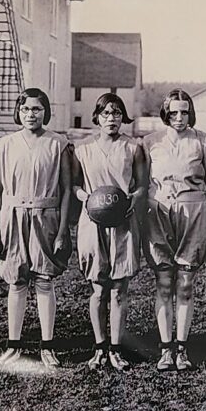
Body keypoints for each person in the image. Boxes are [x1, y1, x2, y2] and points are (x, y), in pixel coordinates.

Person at [0, 87, 79, 371]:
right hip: (13, 216)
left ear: (46, 112)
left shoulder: (58, 144)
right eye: (26, 109)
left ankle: (47, 345)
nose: (31, 114)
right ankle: (14, 345)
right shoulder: (5, 144)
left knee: (44, 280)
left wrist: (63, 229)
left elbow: (66, 190)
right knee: (16, 281)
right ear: (18, 112)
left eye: (37, 109)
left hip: (46, 215)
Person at [141, 89, 206, 371]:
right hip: (158, 212)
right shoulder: (150, 141)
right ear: (165, 113)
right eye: (173, 112)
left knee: (185, 284)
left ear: (191, 112)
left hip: (193, 209)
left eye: (184, 112)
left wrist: (194, 205)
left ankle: (182, 348)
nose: (179, 117)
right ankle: (165, 349)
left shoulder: (202, 141)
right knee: (163, 282)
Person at [74, 92, 147, 372]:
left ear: (123, 117)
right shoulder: (82, 148)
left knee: (118, 290)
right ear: (97, 116)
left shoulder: (133, 147)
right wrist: (87, 198)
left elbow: (142, 185)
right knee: (97, 289)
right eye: (106, 113)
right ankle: (99, 348)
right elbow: (73, 184)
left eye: (117, 113)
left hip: (123, 222)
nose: (112, 118)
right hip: (93, 222)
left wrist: (133, 200)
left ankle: (116, 350)